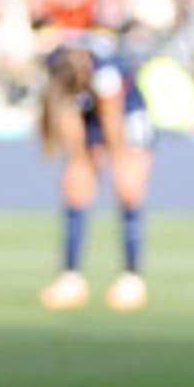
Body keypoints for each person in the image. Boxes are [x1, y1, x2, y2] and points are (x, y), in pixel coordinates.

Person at [36, 33, 153, 313]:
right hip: (89, 115)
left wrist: (118, 159)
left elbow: (112, 119)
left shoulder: (107, 73)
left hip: (128, 117)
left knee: (127, 190)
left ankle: (131, 277)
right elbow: (63, 115)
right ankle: (71, 277)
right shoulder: (57, 65)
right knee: (76, 187)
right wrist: (78, 156)